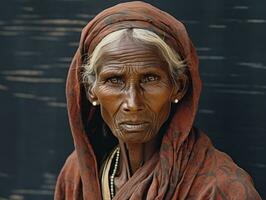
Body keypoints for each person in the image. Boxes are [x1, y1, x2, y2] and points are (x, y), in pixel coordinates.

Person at [54, 1, 261, 199]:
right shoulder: (78, 175)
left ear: (178, 87)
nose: (133, 103)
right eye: (114, 80)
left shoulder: (220, 189)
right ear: (91, 90)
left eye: (150, 79)